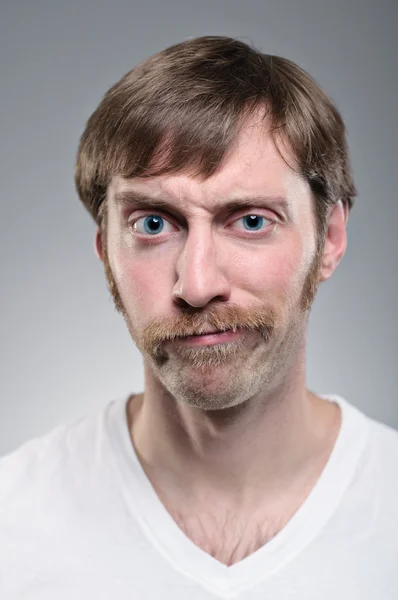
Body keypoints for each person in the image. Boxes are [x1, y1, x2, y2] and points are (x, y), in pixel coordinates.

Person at [1, 35, 397, 599]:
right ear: (105, 252)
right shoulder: (12, 525)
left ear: (329, 239)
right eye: (153, 224)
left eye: (251, 221)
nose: (198, 284)